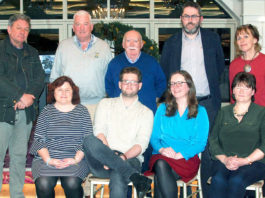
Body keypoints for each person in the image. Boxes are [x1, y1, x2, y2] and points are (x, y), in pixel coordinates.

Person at [160, 2, 225, 196]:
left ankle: (206, 192)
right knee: (180, 143)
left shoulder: (213, 39)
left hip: (208, 102)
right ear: (181, 19)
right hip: (180, 103)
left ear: (201, 19)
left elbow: (219, 68)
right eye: (186, 16)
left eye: (194, 16)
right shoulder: (171, 42)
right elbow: (166, 71)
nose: (190, 20)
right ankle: (179, 187)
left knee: (208, 150)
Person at [83, 67, 153, 198]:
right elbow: (99, 132)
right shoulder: (105, 104)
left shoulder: (146, 113)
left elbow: (141, 144)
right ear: (120, 84)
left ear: (140, 85)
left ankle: (127, 171)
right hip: (101, 161)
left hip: (130, 159)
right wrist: (109, 157)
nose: (129, 85)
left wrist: (123, 157)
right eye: (126, 81)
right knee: (89, 140)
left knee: (118, 174)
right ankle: (134, 176)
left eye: (133, 82)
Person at [105, 29, 166, 172]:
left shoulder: (151, 62)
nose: (132, 44)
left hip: (146, 114)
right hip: (121, 117)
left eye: (136, 41)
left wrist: (153, 97)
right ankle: (126, 188)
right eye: (128, 40)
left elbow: (162, 83)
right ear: (123, 44)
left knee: (146, 151)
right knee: (124, 151)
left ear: (142, 44)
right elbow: (109, 85)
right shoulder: (114, 63)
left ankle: (143, 185)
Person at [0, 13, 45, 197]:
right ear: (9, 29)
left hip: (26, 113)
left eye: (26, 29)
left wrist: (29, 97)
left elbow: (39, 79)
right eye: (19, 28)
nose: (23, 32)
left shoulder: (32, 53)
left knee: (19, 156)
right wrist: (19, 95)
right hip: (3, 111)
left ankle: (16, 194)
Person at [145, 70, 209, 197]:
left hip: (187, 158)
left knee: (160, 174)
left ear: (189, 86)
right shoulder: (162, 108)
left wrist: (181, 154)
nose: (176, 87)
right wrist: (162, 150)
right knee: (161, 164)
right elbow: (154, 137)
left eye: (180, 83)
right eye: (172, 84)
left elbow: (200, 143)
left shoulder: (200, 111)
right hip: (162, 155)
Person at [30, 76, 92, 198]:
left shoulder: (82, 111)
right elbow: (39, 140)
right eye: (59, 89)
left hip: (75, 158)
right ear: (53, 92)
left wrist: (75, 159)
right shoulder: (46, 111)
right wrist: (49, 160)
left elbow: (87, 139)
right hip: (47, 159)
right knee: (43, 183)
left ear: (73, 92)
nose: (63, 93)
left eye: (67, 90)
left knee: (71, 183)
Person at [209, 72, 265, 198]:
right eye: (238, 86)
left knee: (236, 181)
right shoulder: (223, 112)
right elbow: (213, 139)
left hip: (254, 162)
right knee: (218, 180)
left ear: (253, 92)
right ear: (233, 90)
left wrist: (245, 161)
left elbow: (264, 145)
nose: (241, 91)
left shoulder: (262, 113)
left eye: (246, 87)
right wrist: (225, 159)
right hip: (224, 161)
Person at [50, 10, 112, 121]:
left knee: (94, 138)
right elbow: (54, 77)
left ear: (91, 27)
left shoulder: (104, 47)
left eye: (85, 24)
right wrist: (58, 103)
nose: (81, 28)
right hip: (68, 106)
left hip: (96, 106)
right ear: (73, 28)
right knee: (69, 138)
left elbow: (111, 77)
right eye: (78, 24)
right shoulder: (63, 46)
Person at [229, 24, 265, 107]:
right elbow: (232, 94)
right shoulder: (234, 64)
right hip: (241, 114)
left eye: (246, 36)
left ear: (255, 39)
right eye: (239, 38)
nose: (242, 40)